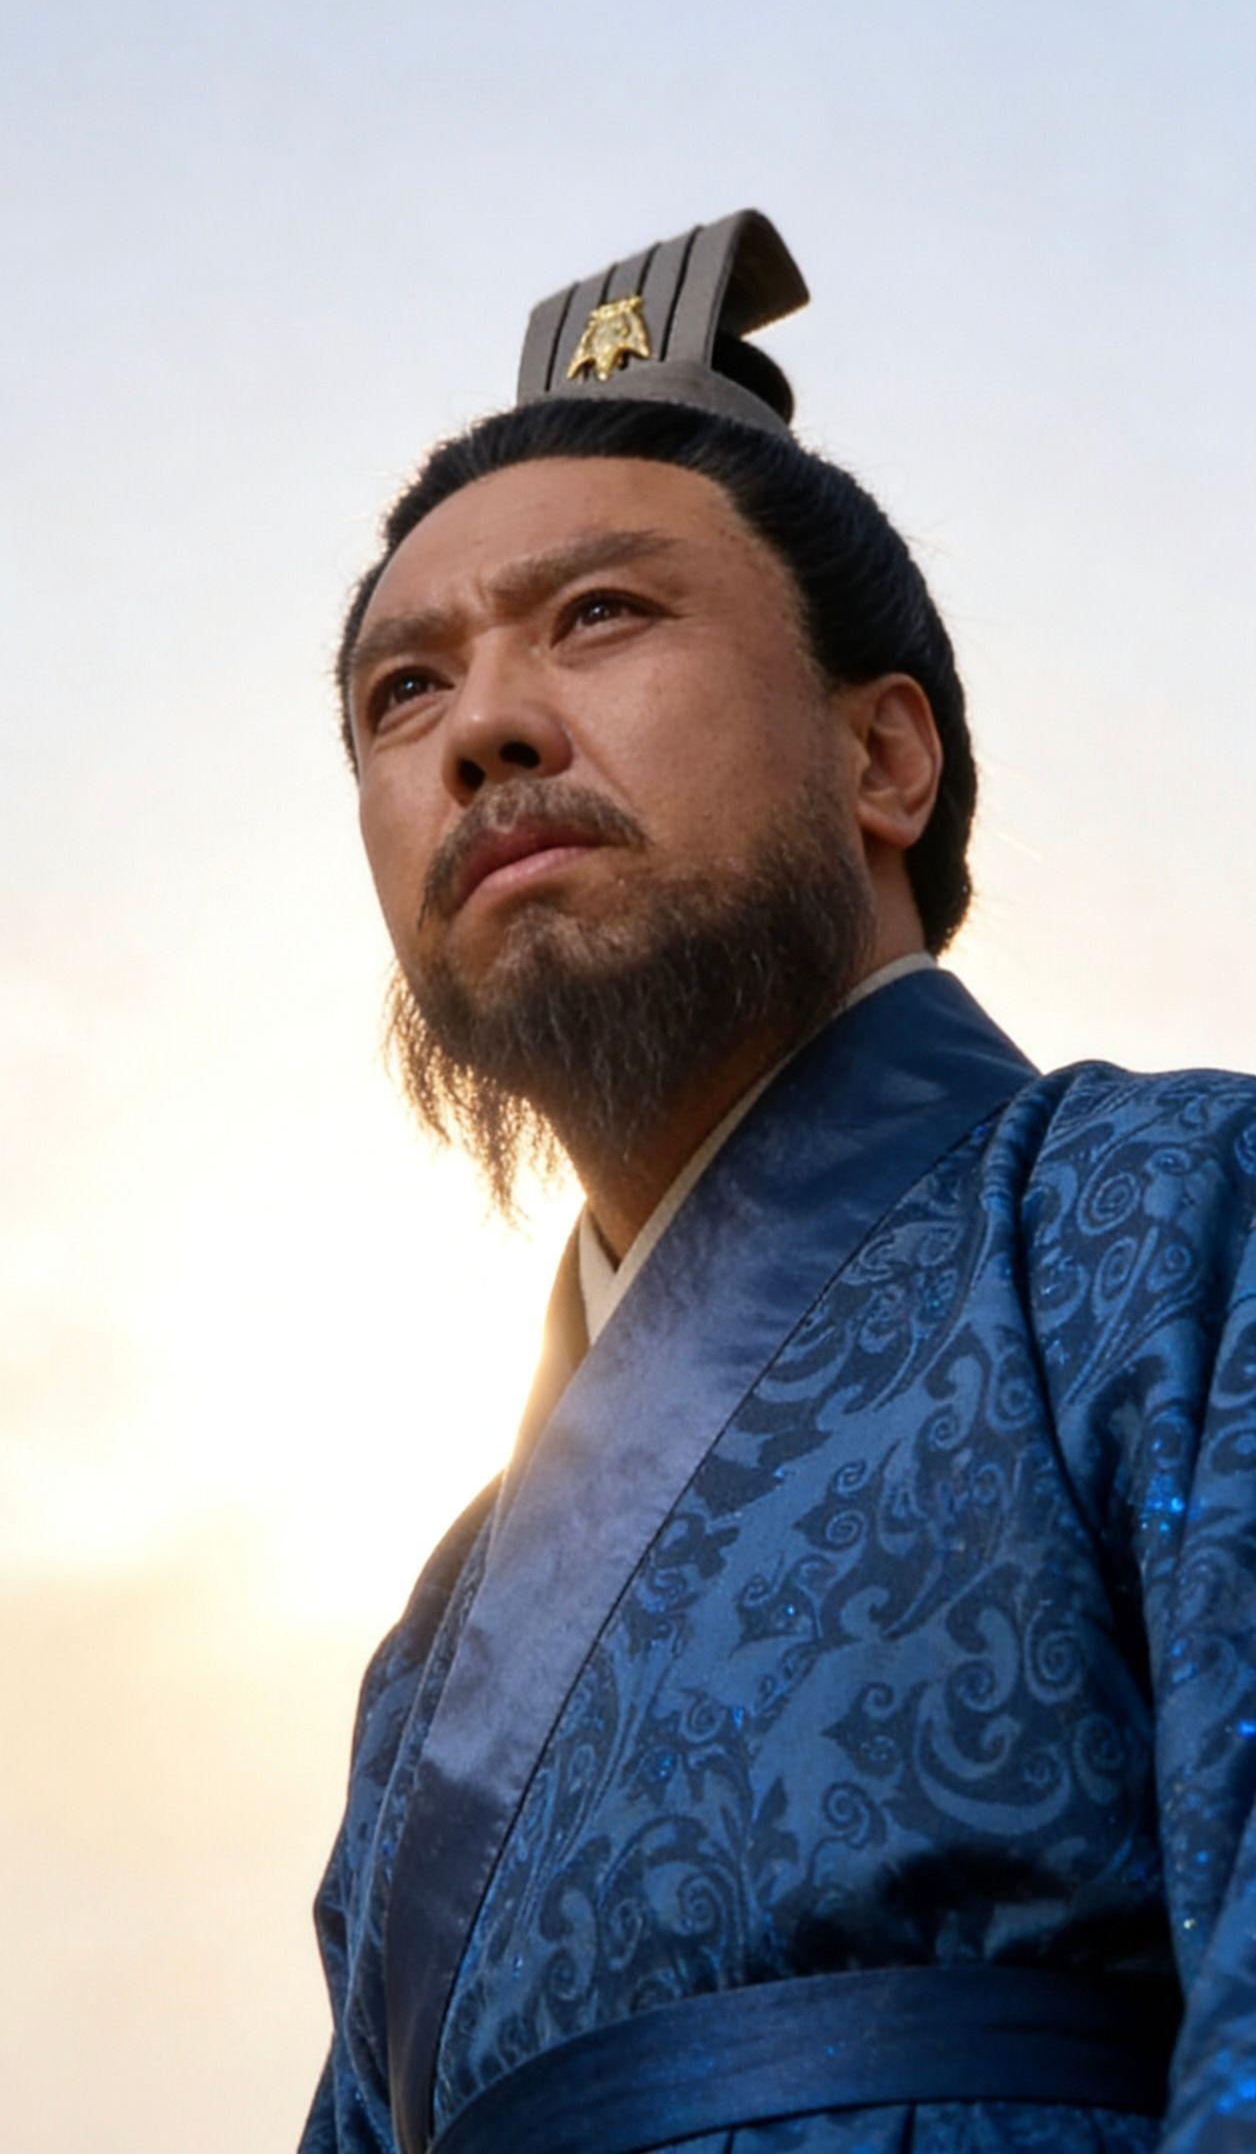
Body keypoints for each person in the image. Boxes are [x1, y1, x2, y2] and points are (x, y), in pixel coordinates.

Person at [300, 212, 1256, 2154]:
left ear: (884, 753)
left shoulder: (1174, 1215)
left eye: (599, 613)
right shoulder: (438, 1644)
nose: (481, 727)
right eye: (403, 691)